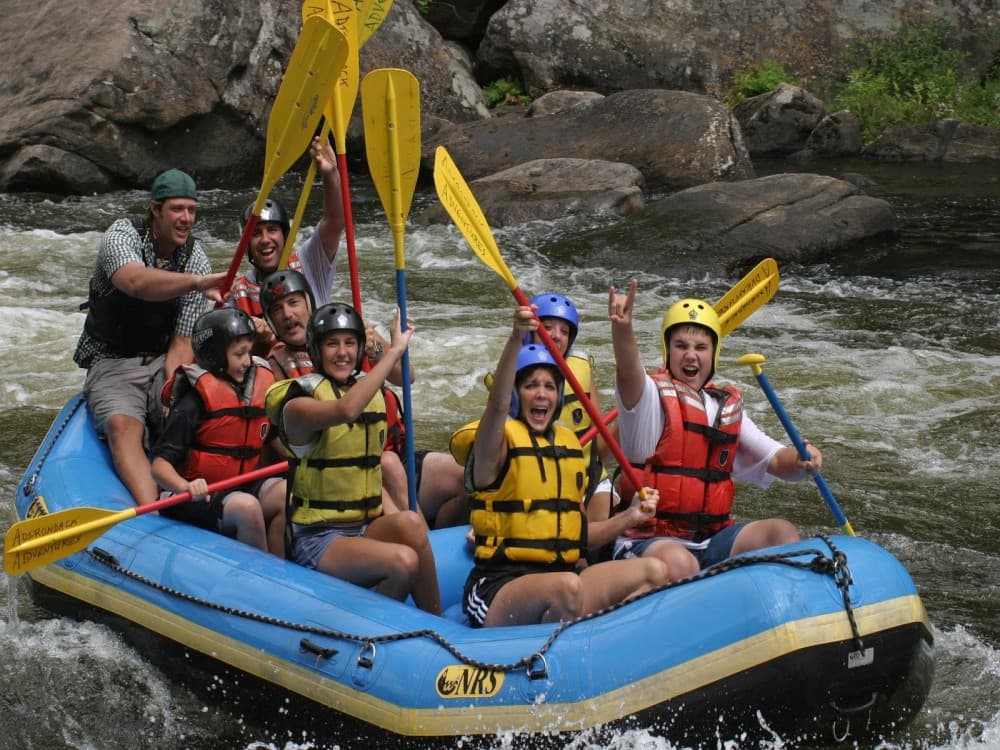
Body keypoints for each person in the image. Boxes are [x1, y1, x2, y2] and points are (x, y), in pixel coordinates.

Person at [461, 305, 669, 628]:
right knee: (568, 588)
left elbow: (581, 534)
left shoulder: (569, 446)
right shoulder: (495, 445)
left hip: (562, 581)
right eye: (531, 385)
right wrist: (517, 336)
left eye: (549, 387)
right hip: (498, 588)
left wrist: (631, 516)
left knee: (655, 572)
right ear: (517, 394)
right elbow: (497, 404)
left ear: (559, 397)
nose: (541, 394)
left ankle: (596, 652)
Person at [607, 280, 822, 580]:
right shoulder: (646, 399)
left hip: (710, 540)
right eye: (681, 346)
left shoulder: (725, 408)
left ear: (714, 354)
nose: (691, 355)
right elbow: (628, 369)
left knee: (781, 533)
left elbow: (777, 461)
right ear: (667, 352)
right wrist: (622, 329)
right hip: (648, 542)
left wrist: (804, 461)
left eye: (700, 347)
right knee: (681, 563)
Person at [264, 302, 441, 614]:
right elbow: (345, 410)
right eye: (332, 344)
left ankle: (438, 624)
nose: (342, 352)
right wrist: (393, 353)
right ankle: (369, 631)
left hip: (362, 526)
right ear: (316, 350)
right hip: (317, 539)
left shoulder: (363, 387)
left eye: (350, 343)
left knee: (412, 523)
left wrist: (387, 345)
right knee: (404, 561)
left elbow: (406, 377)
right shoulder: (298, 402)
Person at [73, 168, 227, 506]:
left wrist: (172, 393)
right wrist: (197, 284)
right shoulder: (121, 236)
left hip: (161, 359)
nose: (187, 218)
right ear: (154, 209)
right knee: (122, 428)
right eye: (177, 209)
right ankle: (152, 509)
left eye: (191, 210)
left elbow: (182, 343)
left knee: (189, 408)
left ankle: (204, 493)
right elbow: (136, 283)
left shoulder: (195, 258)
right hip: (113, 362)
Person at [151, 308, 285, 555]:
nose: (247, 361)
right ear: (214, 356)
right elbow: (159, 467)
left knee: (286, 495)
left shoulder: (255, 390)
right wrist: (185, 486)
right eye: (239, 354)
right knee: (248, 508)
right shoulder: (192, 401)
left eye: (249, 352)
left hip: (240, 486)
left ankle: (282, 568)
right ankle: (260, 577)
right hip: (195, 497)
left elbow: (271, 437)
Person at [229, 135, 344, 355]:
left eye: (272, 230)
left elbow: (335, 222)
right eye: (256, 234)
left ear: (285, 236)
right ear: (246, 245)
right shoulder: (237, 292)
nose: (265, 239)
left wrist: (330, 175)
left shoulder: (310, 262)